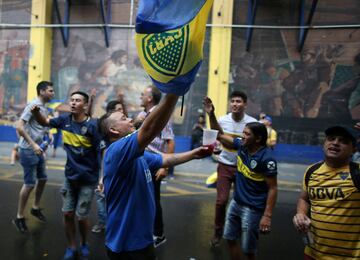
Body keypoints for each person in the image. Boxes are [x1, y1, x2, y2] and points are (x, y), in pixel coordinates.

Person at [99, 92, 210, 259]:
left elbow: (165, 159)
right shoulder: (117, 150)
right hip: (126, 244)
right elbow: (149, 130)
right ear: (113, 130)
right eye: (123, 118)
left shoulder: (138, 155)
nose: (130, 119)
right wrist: (173, 92)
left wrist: (194, 153)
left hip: (143, 239)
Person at [31, 91, 104, 260]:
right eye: (71, 100)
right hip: (70, 177)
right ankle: (72, 246)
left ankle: (84, 243)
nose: (73, 103)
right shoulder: (64, 120)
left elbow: (103, 151)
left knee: (81, 217)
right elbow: (45, 121)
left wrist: (102, 177)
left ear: (85, 105)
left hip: (88, 178)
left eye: (77, 101)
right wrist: (36, 112)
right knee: (67, 214)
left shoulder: (93, 126)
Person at [204, 96, 278, 260]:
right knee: (230, 238)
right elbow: (220, 135)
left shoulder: (267, 159)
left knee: (248, 250)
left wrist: (267, 216)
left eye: (246, 134)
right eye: (243, 133)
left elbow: (273, 188)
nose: (242, 136)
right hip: (236, 203)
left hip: (252, 209)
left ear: (258, 138)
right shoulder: (242, 146)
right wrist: (211, 114)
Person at [293, 125, 360, 260]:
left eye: (343, 141)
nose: (335, 143)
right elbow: (304, 199)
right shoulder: (312, 171)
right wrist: (300, 214)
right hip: (313, 254)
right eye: (331, 138)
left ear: (354, 149)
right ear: (324, 143)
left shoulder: (357, 172)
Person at [208, 91, 257, 247]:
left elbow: (255, 144)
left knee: (242, 202)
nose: (235, 104)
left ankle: (238, 231)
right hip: (224, 166)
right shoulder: (222, 120)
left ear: (245, 104)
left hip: (244, 169)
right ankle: (217, 232)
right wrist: (211, 115)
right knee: (221, 201)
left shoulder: (252, 123)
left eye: (239, 101)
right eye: (233, 101)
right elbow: (216, 135)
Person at [12, 81, 55, 233]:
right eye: (50, 91)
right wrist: (33, 144)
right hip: (28, 150)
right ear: (42, 91)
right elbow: (19, 126)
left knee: (42, 179)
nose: (53, 93)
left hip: (38, 150)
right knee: (29, 184)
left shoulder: (44, 108)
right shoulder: (33, 105)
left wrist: (46, 136)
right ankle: (19, 217)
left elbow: (41, 126)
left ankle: (35, 208)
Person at [137, 85, 175, 247]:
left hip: (154, 162)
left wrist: (164, 167)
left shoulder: (159, 115)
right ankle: (145, 230)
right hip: (141, 161)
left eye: (143, 94)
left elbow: (170, 141)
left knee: (153, 199)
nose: (140, 96)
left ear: (150, 98)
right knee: (142, 198)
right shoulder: (142, 115)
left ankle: (158, 234)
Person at [92, 100, 127, 234]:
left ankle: (115, 226)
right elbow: (104, 155)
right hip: (106, 171)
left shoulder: (124, 131)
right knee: (102, 197)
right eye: (119, 110)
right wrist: (102, 177)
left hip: (121, 172)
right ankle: (102, 223)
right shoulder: (106, 132)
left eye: (122, 110)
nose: (122, 112)